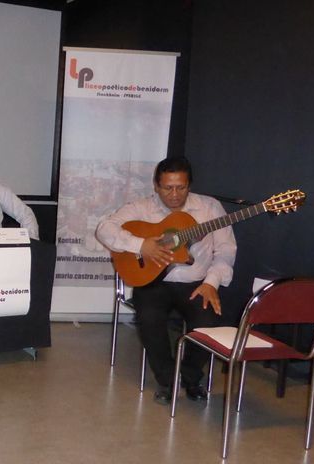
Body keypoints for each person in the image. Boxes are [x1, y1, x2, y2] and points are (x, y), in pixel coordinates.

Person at [95, 156, 236, 405]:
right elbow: (104, 229)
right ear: (156, 186)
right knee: (149, 317)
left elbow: (226, 250)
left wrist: (211, 282)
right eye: (167, 187)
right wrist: (141, 244)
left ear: (189, 185)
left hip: (196, 282)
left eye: (180, 187)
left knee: (208, 321)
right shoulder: (142, 207)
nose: (174, 195)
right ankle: (168, 380)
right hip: (153, 282)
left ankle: (190, 377)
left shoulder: (209, 208)